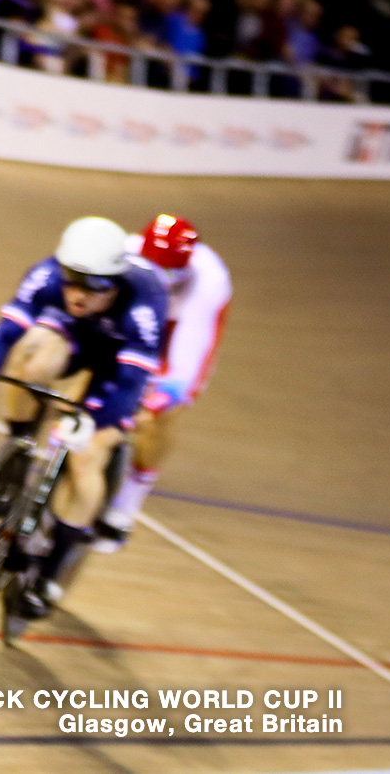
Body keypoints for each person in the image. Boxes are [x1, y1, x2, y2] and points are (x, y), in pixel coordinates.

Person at [0, 216, 167, 620]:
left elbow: (131, 382)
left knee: (89, 458)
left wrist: (93, 421)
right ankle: (18, 453)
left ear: (117, 281)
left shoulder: (144, 302)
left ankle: (50, 574)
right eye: (72, 279)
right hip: (73, 338)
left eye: (96, 285)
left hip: (116, 365)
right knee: (31, 358)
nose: (79, 293)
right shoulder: (46, 276)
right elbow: (5, 334)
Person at [95, 214, 233, 551]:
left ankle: (126, 504)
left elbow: (186, 365)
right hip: (137, 314)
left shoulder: (207, 284)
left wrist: (159, 399)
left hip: (180, 330)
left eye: (167, 275)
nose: (158, 280)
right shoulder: (123, 253)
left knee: (164, 413)